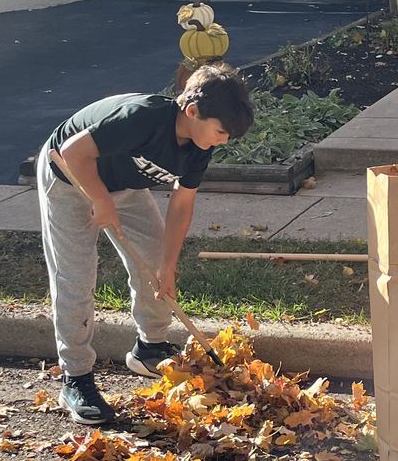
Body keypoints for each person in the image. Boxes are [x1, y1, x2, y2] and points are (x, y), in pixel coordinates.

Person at [37, 62, 254, 426]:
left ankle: (149, 348)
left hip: (123, 184)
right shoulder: (141, 117)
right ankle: (75, 379)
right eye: (220, 131)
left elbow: (182, 204)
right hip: (71, 177)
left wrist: (168, 265)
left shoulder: (200, 146)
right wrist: (100, 200)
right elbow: (74, 152)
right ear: (192, 111)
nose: (223, 141)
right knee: (75, 277)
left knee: (154, 260)